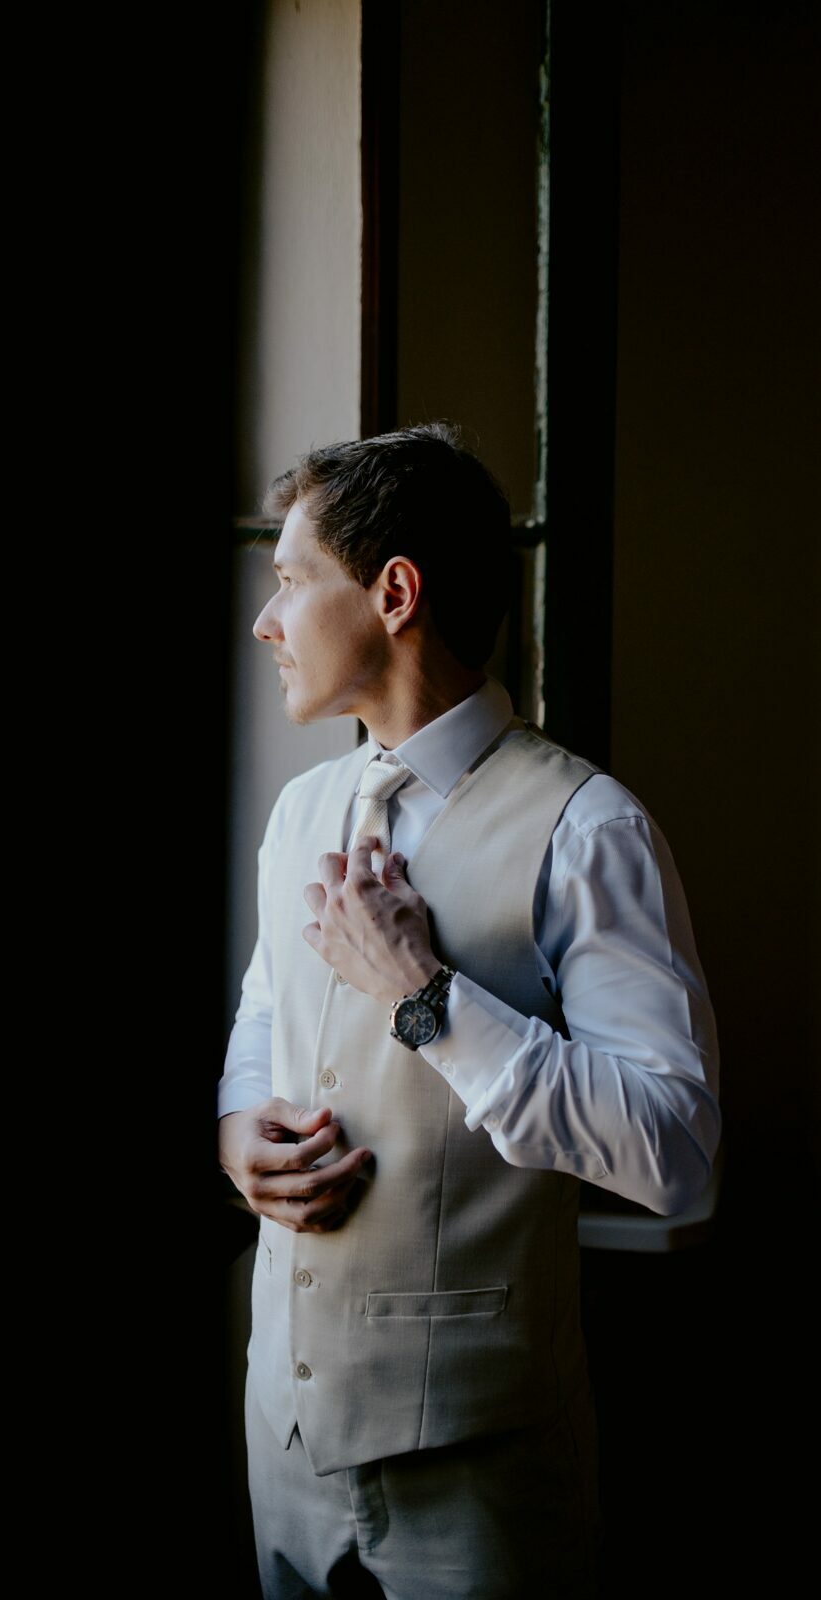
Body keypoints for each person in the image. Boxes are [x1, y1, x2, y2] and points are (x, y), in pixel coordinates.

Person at [217, 423, 720, 1599]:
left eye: (291, 579)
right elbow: (262, 1019)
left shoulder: (588, 830)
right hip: (280, 1435)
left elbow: (675, 1154)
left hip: (481, 1471)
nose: (265, 621)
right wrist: (237, 1130)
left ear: (394, 593)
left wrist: (426, 997)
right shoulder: (299, 814)